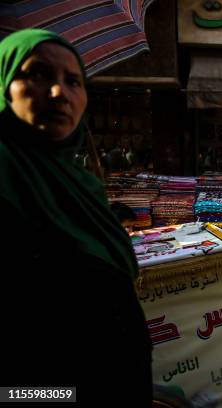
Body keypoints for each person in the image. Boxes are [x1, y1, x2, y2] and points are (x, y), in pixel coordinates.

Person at [0, 29, 152, 404]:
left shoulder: (82, 185)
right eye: (37, 74)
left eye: (73, 81)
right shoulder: (5, 174)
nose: (59, 93)